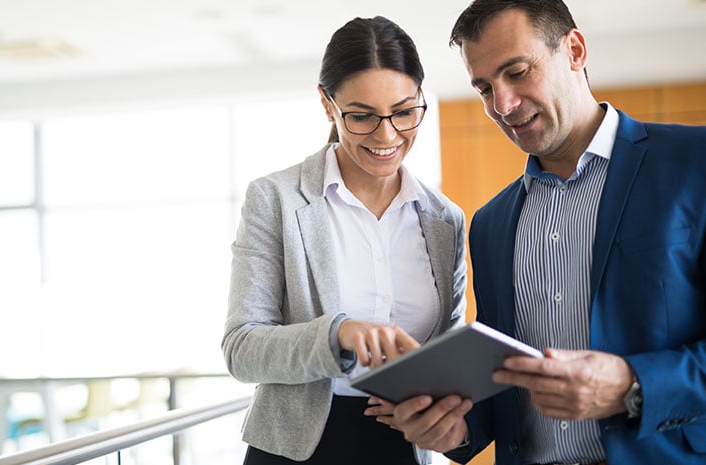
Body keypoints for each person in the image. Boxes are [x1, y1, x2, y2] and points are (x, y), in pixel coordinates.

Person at [385, 1, 706, 464]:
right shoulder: (491, 224)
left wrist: (634, 385)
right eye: (484, 88)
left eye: (516, 72)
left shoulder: (693, 164)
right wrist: (455, 430)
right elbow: (503, 387)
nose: (502, 105)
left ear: (574, 50)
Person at [221, 15, 467, 465]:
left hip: (401, 448)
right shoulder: (276, 199)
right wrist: (339, 336)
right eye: (361, 116)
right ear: (327, 104)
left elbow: (443, 352)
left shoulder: (445, 220)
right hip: (293, 451)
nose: (387, 135)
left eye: (404, 112)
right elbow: (242, 348)